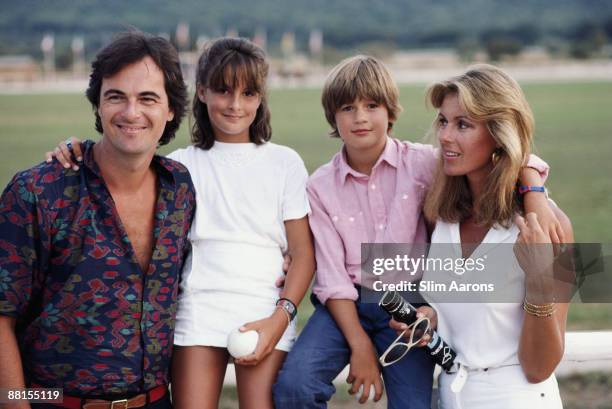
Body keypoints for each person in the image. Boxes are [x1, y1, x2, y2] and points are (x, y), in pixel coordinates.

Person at [272, 55, 562, 409]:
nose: (445, 137)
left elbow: (515, 158)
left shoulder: (433, 167)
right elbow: (335, 276)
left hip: (433, 322)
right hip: (364, 317)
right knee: (294, 385)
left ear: (391, 111)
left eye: (372, 105)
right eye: (442, 122)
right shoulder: (326, 187)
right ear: (332, 116)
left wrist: (534, 194)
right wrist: (361, 344)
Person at [44, 37, 315, 409]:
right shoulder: (177, 165)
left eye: (249, 93)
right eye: (223, 90)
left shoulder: (285, 163)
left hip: (265, 312)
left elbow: (302, 253)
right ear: (201, 91)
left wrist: (280, 317)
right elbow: (121, 160)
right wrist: (74, 147)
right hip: (197, 313)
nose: (235, 105)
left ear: (260, 97)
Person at [0, 31, 195, 409]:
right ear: (98, 106)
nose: (131, 112)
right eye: (116, 96)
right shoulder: (38, 191)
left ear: (170, 109)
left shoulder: (181, 189)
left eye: (148, 98)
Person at [391, 64, 573, 408]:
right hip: (453, 395)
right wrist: (433, 319)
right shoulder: (440, 215)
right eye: (443, 121)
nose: (445, 136)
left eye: (463, 124)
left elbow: (539, 367)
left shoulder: (549, 225)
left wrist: (539, 278)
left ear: (498, 133)